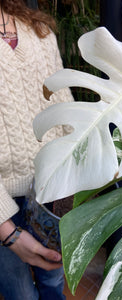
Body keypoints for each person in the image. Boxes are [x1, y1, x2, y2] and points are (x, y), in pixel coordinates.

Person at [0, 0, 74, 299]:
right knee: (21, 294)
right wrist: (8, 233)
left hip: (53, 189)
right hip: (3, 206)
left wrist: (80, 172)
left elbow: (62, 101)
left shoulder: (39, 29)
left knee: (54, 280)